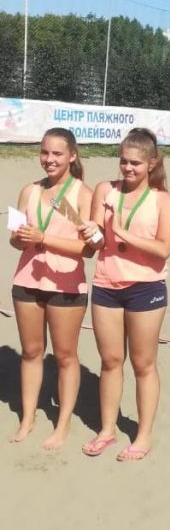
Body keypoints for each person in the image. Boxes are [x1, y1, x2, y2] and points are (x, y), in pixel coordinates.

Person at [79, 128, 170, 462]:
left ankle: (143, 435)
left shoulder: (164, 200)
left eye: (135, 163)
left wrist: (121, 232)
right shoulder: (105, 190)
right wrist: (91, 233)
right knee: (110, 362)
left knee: (143, 363)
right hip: (107, 284)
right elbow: (97, 241)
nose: (127, 168)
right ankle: (107, 430)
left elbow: (163, 249)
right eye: (123, 161)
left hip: (146, 288)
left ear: (152, 163)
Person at [9, 128, 93, 449]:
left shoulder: (81, 194)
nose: (49, 159)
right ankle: (28, 418)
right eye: (45, 152)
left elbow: (87, 249)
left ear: (72, 155)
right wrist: (21, 237)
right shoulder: (28, 190)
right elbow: (14, 240)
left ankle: (63, 423)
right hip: (27, 280)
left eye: (57, 153)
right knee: (31, 352)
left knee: (65, 355)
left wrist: (44, 238)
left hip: (66, 283)